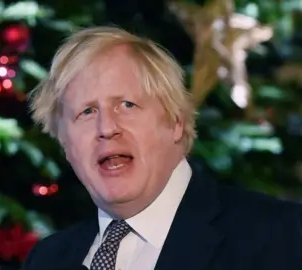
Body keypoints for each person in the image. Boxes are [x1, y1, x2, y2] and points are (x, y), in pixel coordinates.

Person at [23, 26, 302, 270]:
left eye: (127, 105)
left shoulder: (281, 236)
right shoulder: (47, 260)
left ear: (175, 121)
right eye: (86, 112)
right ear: (65, 142)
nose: (106, 128)